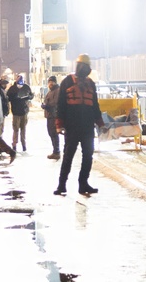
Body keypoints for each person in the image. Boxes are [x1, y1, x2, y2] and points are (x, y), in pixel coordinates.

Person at [54, 53, 104, 197]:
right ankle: (61, 184)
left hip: (87, 127)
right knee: (68, 156)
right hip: (72, 126)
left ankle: (83, 184)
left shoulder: (90, 83)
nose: (86, 69)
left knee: (88, 156)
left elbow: (95, 105)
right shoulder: (67, 82)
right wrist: (59, 123)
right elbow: (61, 104)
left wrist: (100, 122)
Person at [7, 73, 34, 152]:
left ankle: (24, 145)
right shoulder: (12, 89)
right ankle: (14, 144)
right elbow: (8, 98)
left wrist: (29, 97)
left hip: (24, 112)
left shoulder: (26, 87)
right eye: (19, 84)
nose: (20, 85)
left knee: (23, 129)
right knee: (16, 130)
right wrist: (14, 98)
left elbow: (31, 95)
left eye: (21, 84)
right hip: (16, 113)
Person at [42, 75, 60, 159]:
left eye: (52, 82)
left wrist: (47, 106)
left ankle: (56, 152)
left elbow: (55, 103)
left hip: (54, 115)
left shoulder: (57, 91)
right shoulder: (50, 91)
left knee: (54, 133)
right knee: (51, 133)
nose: (50, 83)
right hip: (49, 115)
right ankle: (55, 151)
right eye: (49, 82)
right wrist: (44, 105)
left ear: (55, 82)